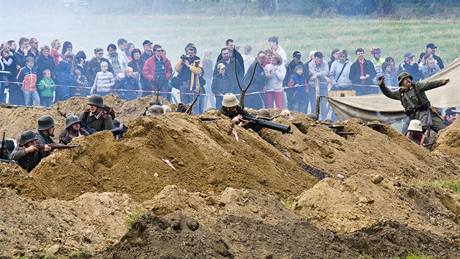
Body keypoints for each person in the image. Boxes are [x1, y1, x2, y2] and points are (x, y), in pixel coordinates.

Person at [379, 72, 450, 133]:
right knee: (404, 136)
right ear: (401, 83)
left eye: (408, 78)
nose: (407, 80)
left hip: (426, 113)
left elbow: (429, 85)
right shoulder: (400, 93)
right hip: (412, 117)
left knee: (444, 130)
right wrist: (382, 85)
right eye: (405, 79)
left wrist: (441, 82)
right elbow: (389, 93)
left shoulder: (417, 86)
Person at [175, 46, 205, 114]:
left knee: (194, 105)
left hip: (194, 85)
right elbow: (177, 69)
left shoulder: (198, 61)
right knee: (184, 103)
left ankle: (195, 117)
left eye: (192, 52)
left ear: (195, 53)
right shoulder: (184, 60)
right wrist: (181, 61)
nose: (190, 54)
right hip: (183, 85)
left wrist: (188, 66)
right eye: (189, 52)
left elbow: (199, 71)